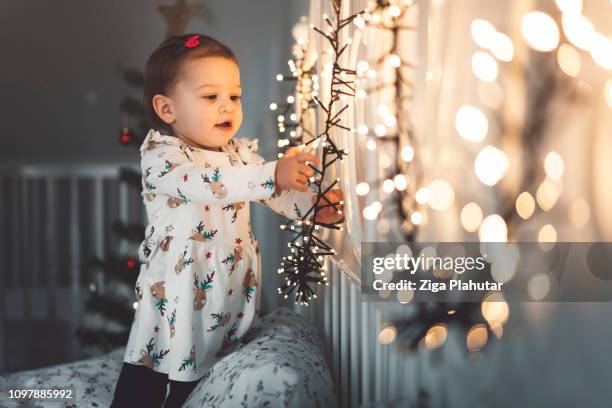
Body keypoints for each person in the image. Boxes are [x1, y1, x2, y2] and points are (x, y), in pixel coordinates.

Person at [110, 33, 344, 407]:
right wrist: (273, 173)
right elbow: (205, 184)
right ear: (167, 109)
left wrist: (313, 206)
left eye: (234, 96)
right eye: (210, 97)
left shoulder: (238, 154)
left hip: (228, 288)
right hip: (176, 293)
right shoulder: (162, 156)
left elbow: (273, 192)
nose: (227, 107)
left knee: (204, 372)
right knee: (152, 371)